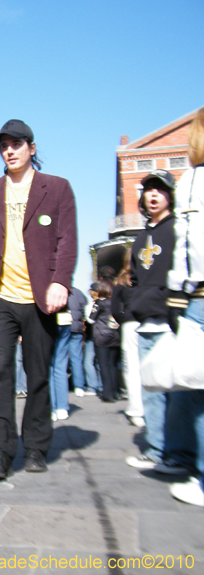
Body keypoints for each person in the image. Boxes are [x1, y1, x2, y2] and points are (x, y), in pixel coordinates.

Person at [0, 120, 78, 479]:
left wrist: (61, 281)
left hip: (40, 298)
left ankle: (35, 447)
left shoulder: (57, 188)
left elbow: (67, 242)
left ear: (31, 147)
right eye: (4, 145)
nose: (9, 150)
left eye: (16, 144)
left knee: (38, 373)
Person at [124, 169, 186, 473]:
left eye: (159, 190)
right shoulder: (139, 238)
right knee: (151, 388)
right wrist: (137, 303)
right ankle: (157, 448)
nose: (152, 195)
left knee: (177, 391)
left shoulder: (179, 229)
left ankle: (177, 453)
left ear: (170, 195)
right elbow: (135, 278)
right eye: (148, 189)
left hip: (172, 320)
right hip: (146, 320)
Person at [166, 106, 204, 506]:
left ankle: (188, 462)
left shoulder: (194, 178)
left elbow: (187, 242)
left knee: (193, 388)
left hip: (199, 295)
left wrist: (178, 291)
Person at [112, 252, 143, 426]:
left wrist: (126, 321)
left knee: (132, 367)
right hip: (149, 320)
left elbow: (116, 310)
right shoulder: (146, 279)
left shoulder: (121, 282)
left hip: (130, 325)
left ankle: (136, 410)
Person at [90, 281, 120, 402]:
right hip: (115, 336)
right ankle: (115, 391)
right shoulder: (117, 303)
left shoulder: (99, 303)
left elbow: (91, 319)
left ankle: (107, 394)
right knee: (112, 365)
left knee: (103, 365)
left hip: (102, 336)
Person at [67, 286, 88, 399]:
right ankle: (79, 386)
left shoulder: (57, 290)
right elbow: (85, 308)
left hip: (60, 327)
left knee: (59, 359)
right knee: (77, 358)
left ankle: (60, 385)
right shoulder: (78, 293)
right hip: (76, 329)